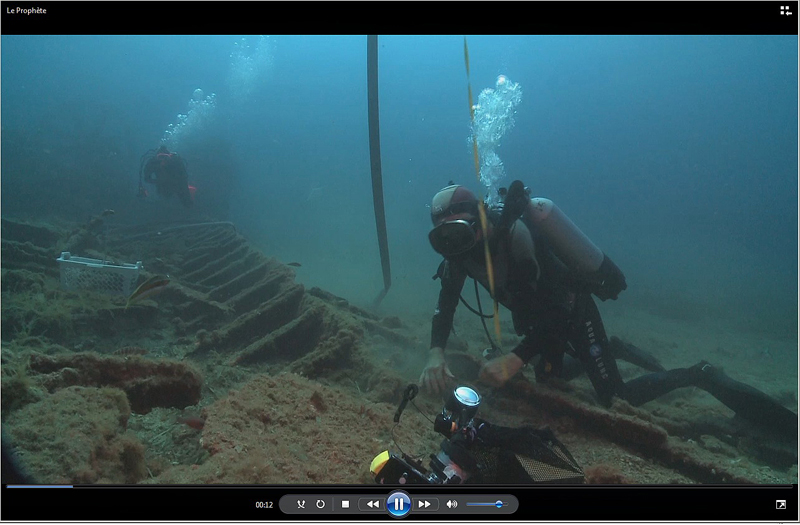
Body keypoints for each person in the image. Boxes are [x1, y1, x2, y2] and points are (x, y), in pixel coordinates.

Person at [420, 181, 798, 438]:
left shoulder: (518, 237)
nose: (454, 243)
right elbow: (446, 303)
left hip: (570, 310)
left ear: (478, 217)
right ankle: (610, 349)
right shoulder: (459, 255)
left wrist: (515, 359)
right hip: (538, 320)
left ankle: (699, 374)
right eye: (444, 236)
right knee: (550, 379)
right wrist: (435, 352)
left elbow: (557, 308)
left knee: (616, 400)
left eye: (458, 229)